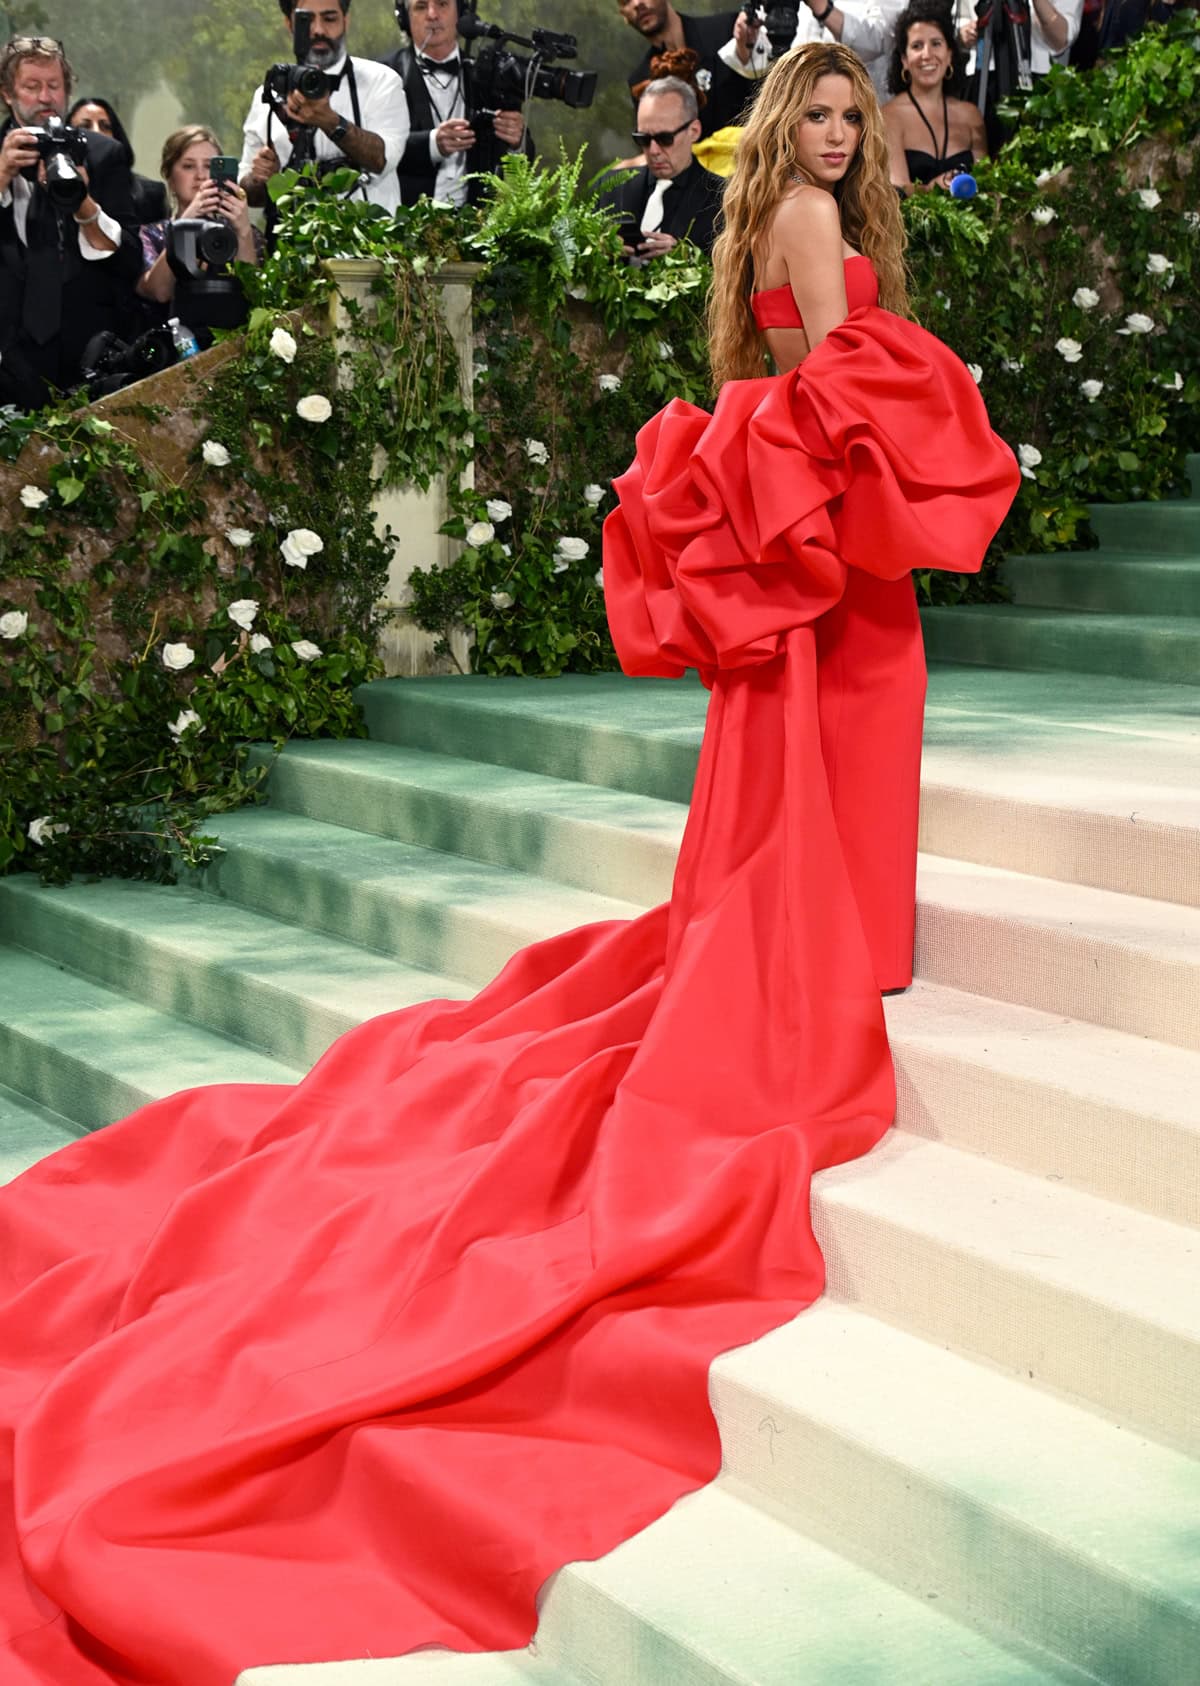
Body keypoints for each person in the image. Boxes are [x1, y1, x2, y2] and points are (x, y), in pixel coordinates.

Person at [0, 44, 1018, 1686]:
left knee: (820, 733)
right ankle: (830, 940)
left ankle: (817, 922)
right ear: (790, 135)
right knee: (856, 712)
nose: (835, 136)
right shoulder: (817, 226)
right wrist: (910, 415)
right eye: (817, 116)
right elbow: (833, 385)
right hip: (813, 509)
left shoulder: (780, 220)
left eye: (845, 115)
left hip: (786, 505)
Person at [0, 35, 142, 410]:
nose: (45, 97)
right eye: (32, 87)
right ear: (7, 94)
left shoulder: (104, 154)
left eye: (54, 86)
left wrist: (84, 204)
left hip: (90, 359)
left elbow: (130, 260)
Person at [239, 0, 410, 215]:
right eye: (306, 20)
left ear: (345, 21)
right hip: (292, 244)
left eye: (329, 19)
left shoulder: (381, 81)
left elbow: (382, 160)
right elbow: (248, 193)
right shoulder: (268, 95)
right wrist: (260, 178)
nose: (319, 30)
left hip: (372, 244)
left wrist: (329, 120)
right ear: (289, 23)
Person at [380, 0, 531, 208]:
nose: (432, 14)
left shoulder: (489, 76)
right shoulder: (383, 76)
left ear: (461, 13)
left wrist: (517, 142)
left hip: (478, 227)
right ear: (404, 18)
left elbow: (525, 157)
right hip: (405, 224)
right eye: (421, 6)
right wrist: (432, 144)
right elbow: (372, 149)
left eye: (442, 4)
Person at [136, 126, 261, 329]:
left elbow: (254, 293)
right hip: (173, 346)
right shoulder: (152, 234)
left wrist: (243, 232)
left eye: (210, 166)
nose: (201, 176)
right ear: (170, 178)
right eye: (188, 166)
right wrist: (185, 223)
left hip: (233, 344)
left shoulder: (243, 231)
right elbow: (159, 292)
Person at [598, 69, 725, 258]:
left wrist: (687, 257)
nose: (654, 150)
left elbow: (740, 272)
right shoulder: (613, 187)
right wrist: (600, 252)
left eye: (665, 138)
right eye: (643, 139)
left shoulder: (724, 199)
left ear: (694, 131)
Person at [883, 1, 987, 192]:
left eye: (936, 44)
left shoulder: (971, 115)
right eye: (917, 46)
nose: (927, 54)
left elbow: (987, 184)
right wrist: (934, 188)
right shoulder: (889, 116)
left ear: (949, 54)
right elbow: (896, 191)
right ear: (904, 60)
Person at [719, 0, 908, 99]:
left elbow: (879, 41)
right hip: (799, 107)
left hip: (863, 110)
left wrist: (823, 9)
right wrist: (746, 39)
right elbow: (759, 59)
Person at [619, 0, 756, 135]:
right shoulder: (641, 82)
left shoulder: (728, 30)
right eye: (626, 1)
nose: (637, 3)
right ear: (623, 16)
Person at [67, 94, 170, 223]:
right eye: (85, 127)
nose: (96, 132)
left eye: (105, 126)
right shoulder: (54, 186)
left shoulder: (151, 194)